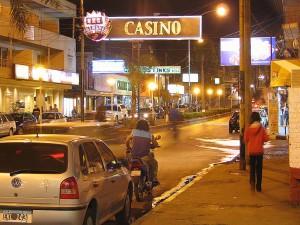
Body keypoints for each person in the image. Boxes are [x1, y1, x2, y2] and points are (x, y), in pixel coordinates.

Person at [125, 119, 160, 186]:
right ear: (147, 127)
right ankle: (153, 179)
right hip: (144, 157)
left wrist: (129, 147)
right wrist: (156, 145)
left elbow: (127, 140)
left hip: (134, 156)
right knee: (154, 163)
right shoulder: (149, 135)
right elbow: (155, 144)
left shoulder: (134, 132)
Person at [244, 111, 269, 192]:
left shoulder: (248, 128)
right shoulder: (261, 128)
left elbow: (245, 139)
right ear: (258, 118)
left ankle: (252, 181)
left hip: (251, 151)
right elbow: (266, 139)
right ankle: (258, 186)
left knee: (252, 168)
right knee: (259, 169)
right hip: (259, 151)